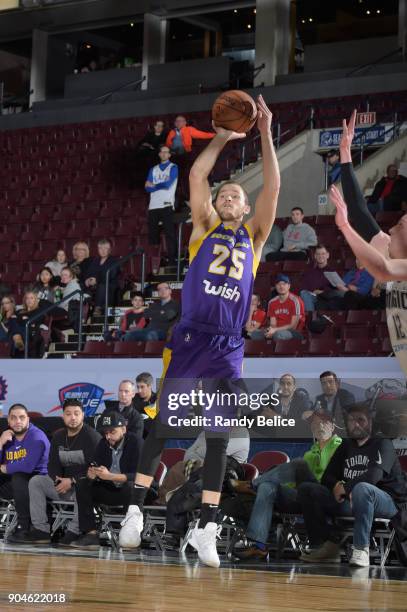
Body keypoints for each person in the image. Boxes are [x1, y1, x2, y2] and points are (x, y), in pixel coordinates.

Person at [118, 94, 280, 568]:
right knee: (163, 428)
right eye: (224, 194)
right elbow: (196, 176)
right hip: (190, 338)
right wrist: (226, 136)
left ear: (246, 207)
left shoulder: (255, 236)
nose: (229, 198)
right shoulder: (203, 228)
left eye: (237, 196)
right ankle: (134, 512)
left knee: (218, 436)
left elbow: (273, 183)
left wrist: (266, 133)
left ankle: (207, 528)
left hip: (228, 346)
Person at [331, 109, 407, 375]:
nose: (391, 228)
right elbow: (358, 207)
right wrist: (345, 154)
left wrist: (344, 226)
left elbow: (383, 270)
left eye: (399, 226)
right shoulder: (385, 244)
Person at [298, 403, 407, 566]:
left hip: (388, 502)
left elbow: (374, 476)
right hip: (353, 500)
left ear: (370, 422)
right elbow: (327, 477)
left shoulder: (383, 443)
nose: (356, 424)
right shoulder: (346, 445)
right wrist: (336, 485)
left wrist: (347, 487)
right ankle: (325, 546)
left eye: (361, 420)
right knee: (308, 489)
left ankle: (361, 549)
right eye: (351, 420)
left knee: (363, 488)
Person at [234, 410, 342, 559]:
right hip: (303, 495)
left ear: (333, 427)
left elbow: (330, 476)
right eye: (315, 423)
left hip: (326, 494)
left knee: (298, 464)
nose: (319, 425)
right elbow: (295, 484)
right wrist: (280, 488)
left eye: (324, 422)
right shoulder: (310, 453)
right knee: (268, 486)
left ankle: (251, 484)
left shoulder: (340, 446)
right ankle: (258, 546)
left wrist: (323, 448)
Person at [25, 399, 101, 545]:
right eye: (68, 414)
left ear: (83, 415)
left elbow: (94, 467)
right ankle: (41, 530)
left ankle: (74, 531)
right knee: (36, 482)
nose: (72, 417)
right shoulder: (58, 436)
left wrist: (71, 481)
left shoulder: (92, 437)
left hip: (83, 486)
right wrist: (58, 480)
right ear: (63, 416)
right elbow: (52, 464)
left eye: (76, 414)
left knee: (83, 486)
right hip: (62, 486)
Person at [70, 412, 143, 549]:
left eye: (112, 432)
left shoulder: (136, 442)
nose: (108, 436)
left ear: (124, 429)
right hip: (111, 488)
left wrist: (110, 476)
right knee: (83, 484)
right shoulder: (103, 443)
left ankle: (129, 533)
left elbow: (140, 477)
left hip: (134, 491)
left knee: (131, 486)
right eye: (105, 433)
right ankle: (90, 534)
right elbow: (94, 465)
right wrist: (92, 475)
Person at [0, 404, 50, 542]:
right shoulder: (7, 437)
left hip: (39, 482)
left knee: (19, 477)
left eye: (22, 417)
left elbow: (28, 466)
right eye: (13, 418)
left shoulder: (37, 436)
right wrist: (0, 443)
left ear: (28, 419)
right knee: (16, 478)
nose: (18, 421)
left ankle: (24, 527)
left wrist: (5, 468)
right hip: (16, 485)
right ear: (8, 421)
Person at [145, 145, 178, 265]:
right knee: (153, 235)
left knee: (170, 234)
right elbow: (147, 188)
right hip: (153, 205)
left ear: (169, 155)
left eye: (166, 152)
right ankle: (155, 261)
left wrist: (154, 185)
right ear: (159, 154)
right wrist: (155, 186)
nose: (164, 154)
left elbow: (168, 184)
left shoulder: (173, 167)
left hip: (167, 204)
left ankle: (172, 260)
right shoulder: (153, 169)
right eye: (162, 152)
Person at [252, 274, 305, 341]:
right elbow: (273, 324)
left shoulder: (295, 301)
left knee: (278, 335)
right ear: (275, 287)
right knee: (255, 334)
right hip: (276, 331)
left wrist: (275, 330)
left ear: (289, 286)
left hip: (294, 332)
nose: (281, 286)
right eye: (278, 284)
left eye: (284, 284)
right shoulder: (272, 302)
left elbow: (293, 326)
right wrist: (270, 330)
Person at [84, 239, 119, 316]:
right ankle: (83, 313)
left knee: (102, 286)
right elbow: (89, 272)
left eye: (105, 248)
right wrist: (88, 279)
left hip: (109, 285)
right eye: (100, 248)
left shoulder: (114, 261)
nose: (102, 250)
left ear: (109, 250)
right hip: (95, 286)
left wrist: (96, 280)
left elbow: (110, 275)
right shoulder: (96, 260)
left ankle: (97, 309)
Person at [299, 245, 337, 311]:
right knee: (304, 293)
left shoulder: (332, 272)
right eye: (318, 254)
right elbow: (303, 286)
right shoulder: (309, 272)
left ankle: (310, 317)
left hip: (324, 297)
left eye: (323, 254)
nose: (320, 256)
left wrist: (322, 292)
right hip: (311, 296)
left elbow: (336, 289)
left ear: (327, 255)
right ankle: (310, 317)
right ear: (315, 256)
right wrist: (313, 291)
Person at [9, 291, 46, 358]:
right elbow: (13, 319)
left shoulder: (39, 310)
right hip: (21, 330)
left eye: (31, 298)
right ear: (25, 300)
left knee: (16, 322)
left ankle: (18, 339)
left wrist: (21, 319)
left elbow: (31, 322)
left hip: (30, 332)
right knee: (13, 320)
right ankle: (18, 340)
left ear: (35, 300)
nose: (29, 300)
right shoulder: (20, 311)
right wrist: (23, 319)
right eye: (27, 298)